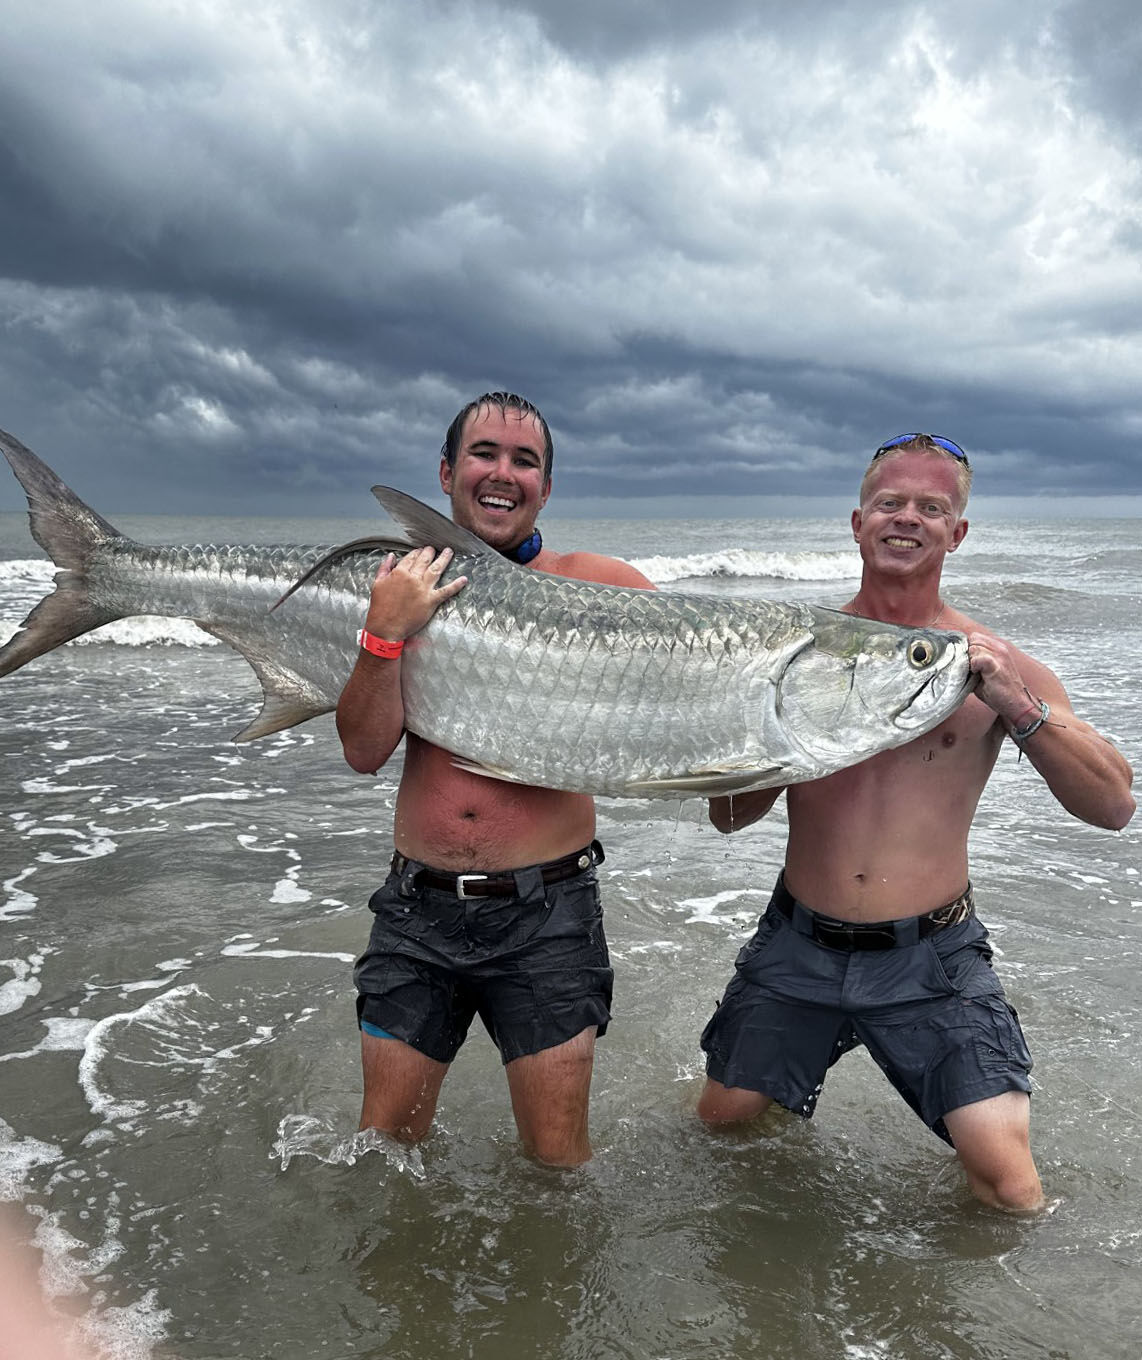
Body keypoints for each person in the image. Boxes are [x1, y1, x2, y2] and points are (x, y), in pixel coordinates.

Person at [697, 433, 1135, 1211]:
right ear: (858, 521)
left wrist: (1014, 704)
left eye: (931, 507)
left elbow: (1112, 805)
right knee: (719, 1130)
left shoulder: (1001, 666)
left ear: (956, 532)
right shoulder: (794, 654)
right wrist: (768, 736)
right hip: (800, 942)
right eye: (891, 502)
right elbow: (729, 819)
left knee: (1010, 1188)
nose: (908, 519)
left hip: (931, 955)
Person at [336, 392, 654, 1166]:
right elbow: (364, 749)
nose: (502, 472)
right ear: (447, 473)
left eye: (525, 460)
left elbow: (705, 681)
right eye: (484, 454)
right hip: (419, 912)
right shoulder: (396, 587)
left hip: (549, 913)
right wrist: (384, 634)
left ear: (546, 486)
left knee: (558, 1166)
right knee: (386, 1153)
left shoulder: (602, 585)